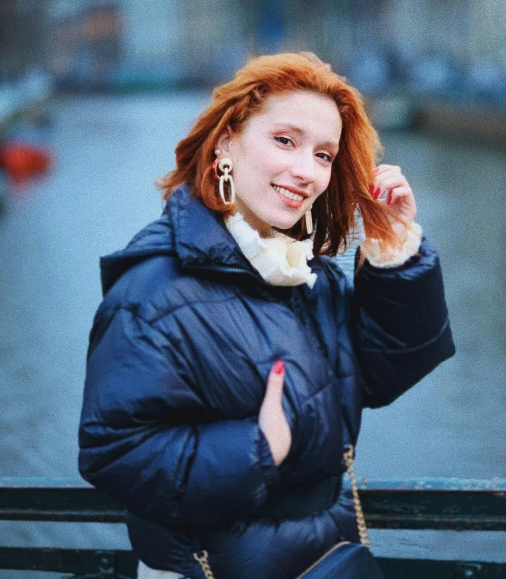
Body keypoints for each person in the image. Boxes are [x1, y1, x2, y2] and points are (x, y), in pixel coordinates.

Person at [78, 52, 455, 579]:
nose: (307, 171)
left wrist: (393, 254)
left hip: (324, 556)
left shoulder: (303, 272)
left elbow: (378, 375)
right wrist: (254, 450)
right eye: (285, 140)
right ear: (226, 141)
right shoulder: (155, 292)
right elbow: (113, 452)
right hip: (211, 567)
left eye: (325, 155)